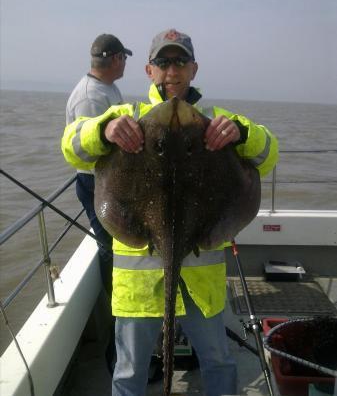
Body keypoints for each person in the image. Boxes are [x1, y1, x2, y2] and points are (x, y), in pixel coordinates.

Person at [61, 28, 279, 396]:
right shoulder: (126, 115)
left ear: (193, 69)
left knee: (218, 361)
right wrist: (104, 129)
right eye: (163, 62)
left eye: (180, 62)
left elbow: (268, 154)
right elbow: (71, 146)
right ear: (149, 70)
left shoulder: (217, 119)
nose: (171, 71)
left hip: (202, 280)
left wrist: (243, 133)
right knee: (129, 371)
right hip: (138, 283)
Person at [65, 33, 132, 298]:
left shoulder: (107, 87)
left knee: (120, 241)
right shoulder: (89, 97)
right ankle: (115, 311)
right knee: (109, 247)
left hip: (110, 181)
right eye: (124, 57)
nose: (125, 62)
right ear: (116, 59)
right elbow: (87, 150)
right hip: (95, 184)